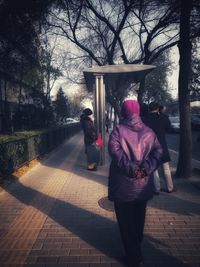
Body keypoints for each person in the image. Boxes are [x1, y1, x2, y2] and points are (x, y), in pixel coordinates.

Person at [108, 99, 163, 267]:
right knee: (139, 219)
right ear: (138, 112)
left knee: (126, 224)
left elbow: (115, 152)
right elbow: (158, 152)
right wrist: (144, 170)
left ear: (124, 112)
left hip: (123, 186)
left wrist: (132, 169)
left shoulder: (117, 131)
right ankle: (136, 249)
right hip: (143, 185)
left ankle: (133, 258)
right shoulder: (149, 132)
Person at [142, 102, 176, 194]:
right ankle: (170, 187)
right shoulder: (163, 118)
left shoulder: (145, 119)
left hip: (151, 146)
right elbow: (169, 128)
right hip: (162, 146)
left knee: (154, 169)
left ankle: (156, 189)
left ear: (149, 109)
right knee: (166, 168)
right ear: (157, 109)